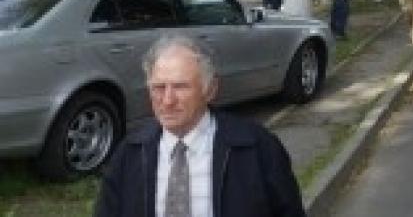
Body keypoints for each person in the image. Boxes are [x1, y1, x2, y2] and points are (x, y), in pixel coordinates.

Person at [93, 34, 305, 217]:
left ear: (210, 89)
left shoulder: (257, 148)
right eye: (158, 87)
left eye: (180, 87)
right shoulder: (129, 154)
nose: (167, 100)